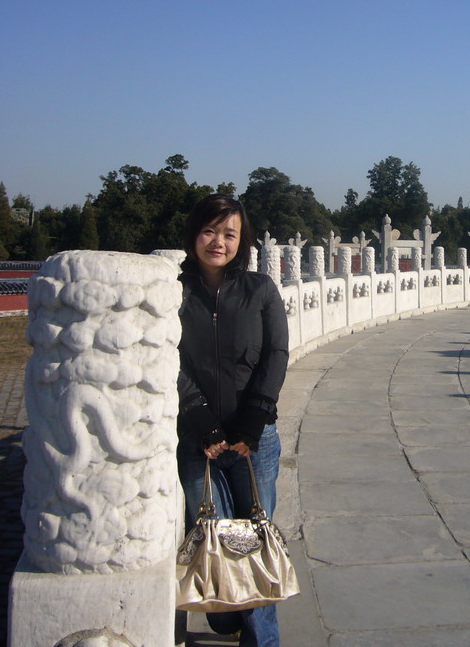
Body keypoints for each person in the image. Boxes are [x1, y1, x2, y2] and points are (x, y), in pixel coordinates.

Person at [176, 194, 289, 647]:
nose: (218, 242)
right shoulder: (175, 291)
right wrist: (203, 421)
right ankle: (227, 614)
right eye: (209, 231)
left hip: (252, 442)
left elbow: (276, 355)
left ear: (241, 241)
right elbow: (171, 361)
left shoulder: (260, 289)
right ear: (193, 235)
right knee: (215, 541)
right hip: (199, 443)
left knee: (253, 542)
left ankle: (261, 641)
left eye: (229, 233)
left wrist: (252, 423)